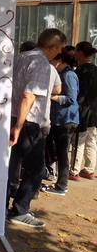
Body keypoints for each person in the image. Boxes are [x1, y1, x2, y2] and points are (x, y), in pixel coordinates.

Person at [7, 28, 67, 228]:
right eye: (60, 48)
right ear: (52, 47)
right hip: (27, 122)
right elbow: (29, 95)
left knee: (11, 165)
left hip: (11, 117)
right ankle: (19, 210)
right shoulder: (41, 64)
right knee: (36, 169)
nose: (60, 52)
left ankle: (1, 206)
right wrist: (19, 126)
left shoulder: (19, 58)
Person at [41, 48, 79, 196]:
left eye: (52, 59)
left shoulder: (68, 75)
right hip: (60, 119)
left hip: (66, 119)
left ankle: (62, 185)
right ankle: (60, 183)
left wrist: (51, 96)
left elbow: (71, 98)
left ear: (58, 60)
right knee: (60, 152)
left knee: (63, 154)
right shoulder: (62, 73)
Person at [69, 41, 97, 180]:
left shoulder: (81, 71)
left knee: (79, 140)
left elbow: (79, 93)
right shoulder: (95, 69)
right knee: (91, 140)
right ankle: (89, 169)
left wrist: (76, 109)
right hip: (94, 111)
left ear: (79, 52)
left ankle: (74, 170)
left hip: (83, 111)